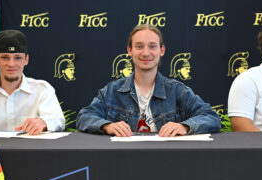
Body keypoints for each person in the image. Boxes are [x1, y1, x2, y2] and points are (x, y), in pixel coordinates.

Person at [76, 24, 220, 137]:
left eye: (152, 46)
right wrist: (107, 126)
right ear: (130, 51)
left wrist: (185, 127)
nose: (146, 53)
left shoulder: (177, 91)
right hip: (123, 160)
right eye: (139, 46)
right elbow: (84, 117)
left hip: (167, 160)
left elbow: (211, 118)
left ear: (161, 50)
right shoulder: (112, 91)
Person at [0, 30, 65, 135]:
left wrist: (44, 122)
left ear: (26, 60)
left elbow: (59, 121)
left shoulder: (42, 89)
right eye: (5, 57)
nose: (11, 64)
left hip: (32, 150)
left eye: (18, 58)